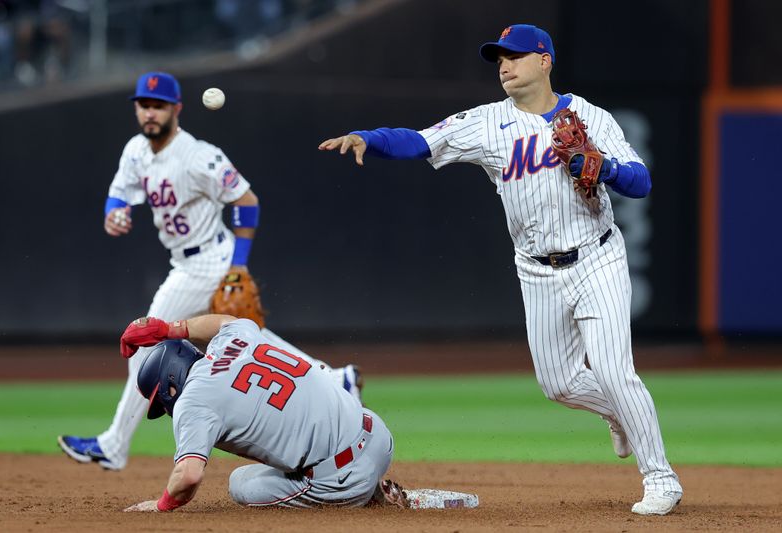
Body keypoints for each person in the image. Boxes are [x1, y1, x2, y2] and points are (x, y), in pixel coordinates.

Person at [318, 24, 682, 516]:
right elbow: (420, 141)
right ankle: (620, 414)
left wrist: (604, 167)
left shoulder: (589, 116)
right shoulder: (487, 122)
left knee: (615, 371)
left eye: (514, 56)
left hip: (597, 256)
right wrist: (369, 137)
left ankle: (661, 478)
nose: (504, 66)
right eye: (499, 59)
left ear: (544, 60)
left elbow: (640, 182)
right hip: (535, 269)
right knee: (558, 383)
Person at [58, 71, 362, 472]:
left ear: (176, 109)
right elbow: (119, 192)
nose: (150, 113)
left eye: (158, 106)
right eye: (144, 105)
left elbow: (248, 201)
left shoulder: (200, 155)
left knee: (146, 338)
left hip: (210, 263)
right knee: (250, 342)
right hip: (184, 260)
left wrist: (238, 265)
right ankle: (334, 379)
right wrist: (113, 212)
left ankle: (114, 445)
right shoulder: (135, 150)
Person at [117, 314, 399, 511]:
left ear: (169, 385)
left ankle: (365, 494)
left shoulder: (193, 400)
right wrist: (168, 328)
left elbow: (189, 476)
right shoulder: (234, 340)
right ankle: (369, 485)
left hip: (344, 479)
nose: (165, 408)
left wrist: (161, 505)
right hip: (378, 435)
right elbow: (227, 321)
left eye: (161, 400)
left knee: (240, 483)